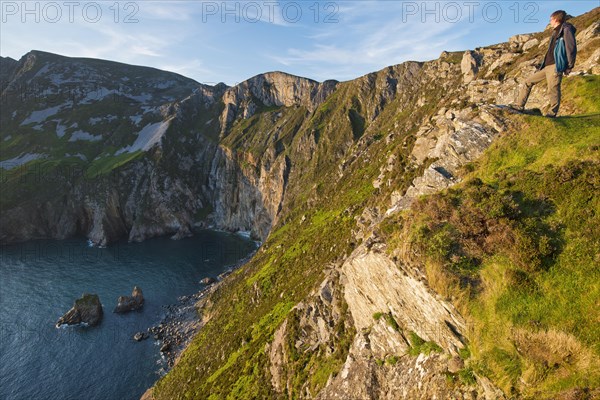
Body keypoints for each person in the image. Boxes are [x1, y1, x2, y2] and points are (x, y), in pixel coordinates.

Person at [512, 10, 577, 118]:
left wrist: (570, 65)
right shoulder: (555, 31)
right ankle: (519, 105)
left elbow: (571, 48)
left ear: (556, 19)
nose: (550, 21)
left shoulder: (566, 29)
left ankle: (552, 113)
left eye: (551, 19)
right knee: (527, 82)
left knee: (553, 89)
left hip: (556, 65)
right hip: (547, 66)